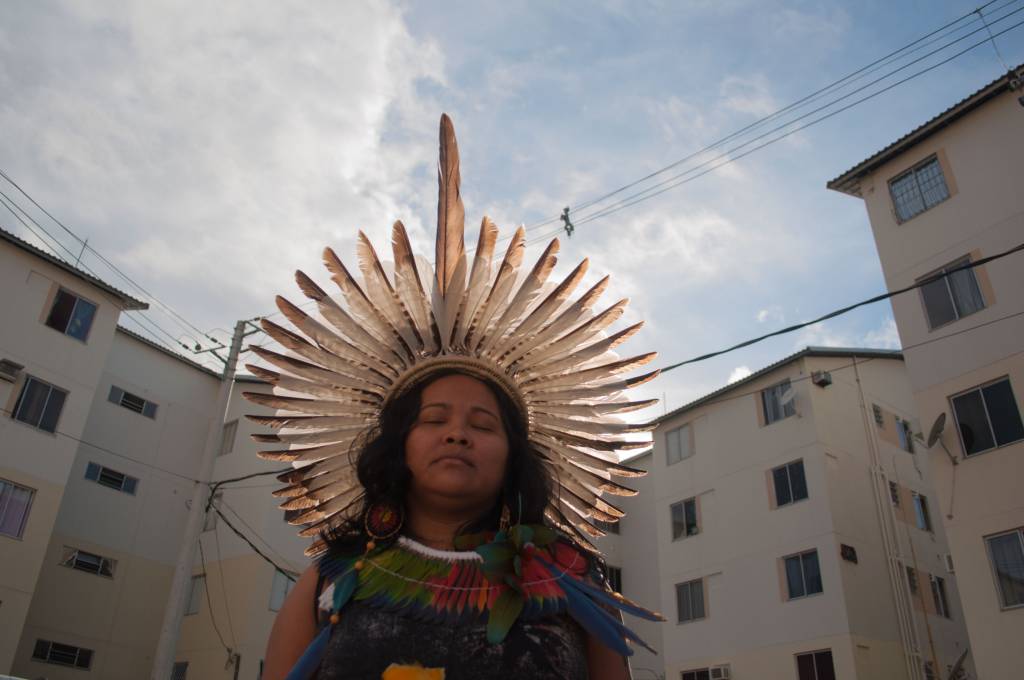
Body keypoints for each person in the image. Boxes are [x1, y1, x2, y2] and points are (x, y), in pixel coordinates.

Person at [244, 114, 661, 680]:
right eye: (434, 418)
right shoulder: (332, 582)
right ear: (398, 446)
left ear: (515, 454)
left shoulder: (574, 585)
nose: (457, 432)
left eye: (484, 425)